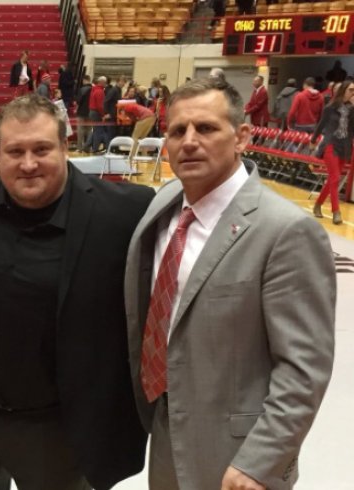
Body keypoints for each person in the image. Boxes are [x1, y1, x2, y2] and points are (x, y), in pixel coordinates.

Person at [125, 77, 335, 490]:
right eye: (177, 130)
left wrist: (262, 461)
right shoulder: (163, 205)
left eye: (205, 128)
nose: (188, 141)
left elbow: (304, 368)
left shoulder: (285, 231)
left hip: (239, 457)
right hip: (168, 433)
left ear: (241, 137)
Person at [0, 93, 152, 490]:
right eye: (14, 151)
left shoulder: (126, 212)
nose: (27, 164)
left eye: (41, 149)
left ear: (65, 147)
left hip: (59, 433)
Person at [311, 79, 354, 225]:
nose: (353, 93)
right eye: (351, 90)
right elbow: (321, 124)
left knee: (332, 180)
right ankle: (336, 211)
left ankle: (318, 205)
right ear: (343, 90)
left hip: (345, 147)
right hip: (330, 144)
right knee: (335, 178)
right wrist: (313, 140)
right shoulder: (330, 107)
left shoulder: (353, 109)